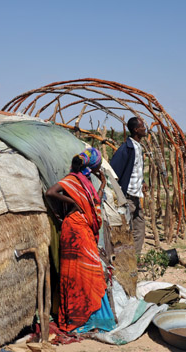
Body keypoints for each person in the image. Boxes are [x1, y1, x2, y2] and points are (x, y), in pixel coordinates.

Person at [45, 148, 115, 332]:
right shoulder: (73, 180)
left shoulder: (87, 183)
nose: (101, 166)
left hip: (83, 228)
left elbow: (93, 206)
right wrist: (71, 202)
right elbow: (50, 192)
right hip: (75, 230)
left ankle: (89, 316)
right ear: (92, 165)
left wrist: (101, 186)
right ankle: (79, 317)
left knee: (87, 273)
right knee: (79, 274)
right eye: (99, 163)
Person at [109, 116, 147, 256]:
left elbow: (135, 169)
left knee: (140, 228)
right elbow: (113, 173)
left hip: (136, 196)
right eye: (143, 127)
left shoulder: (138, 147)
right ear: (136, 130)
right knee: (124, 230)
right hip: (127, 197)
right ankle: (122, 260)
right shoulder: (126, 149)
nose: (145, 129)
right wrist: (119, 196)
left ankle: (134, 258)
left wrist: (142, 182)